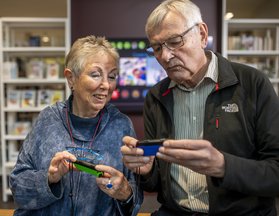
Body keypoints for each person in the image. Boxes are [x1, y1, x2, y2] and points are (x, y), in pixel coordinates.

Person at [121, 0, 279, 215]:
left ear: (202, 35)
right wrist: (146, 171)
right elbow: (156, 182)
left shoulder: (253, 84)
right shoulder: (156, 97)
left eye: (175, 41)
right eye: (157, 48)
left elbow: (275, 172)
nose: (165, 57)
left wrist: (223, 166)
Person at [10, 35, 143, 216]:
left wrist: (125, 193)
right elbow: (18, 188)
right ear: (71, 78)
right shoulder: (48, 120)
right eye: (95, 74)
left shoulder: (121, 126)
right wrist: (49, 179)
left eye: (112, 76)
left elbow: (134, 202)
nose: (106, 85)